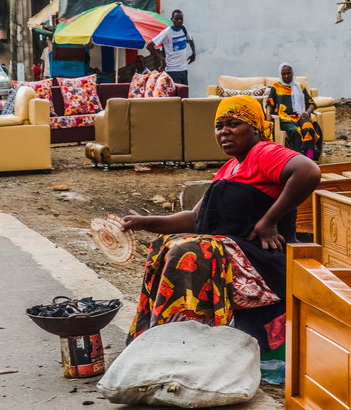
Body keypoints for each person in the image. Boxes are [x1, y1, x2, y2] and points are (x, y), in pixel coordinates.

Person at [122, 95, 320, 352]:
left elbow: (309, 171)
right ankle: (169, 339)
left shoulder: (264, 153)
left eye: (234, 123)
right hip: (230, 254)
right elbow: (195, 218)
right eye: (219, 126)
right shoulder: (229, 168)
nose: (224, 131)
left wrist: (269, 221)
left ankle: (183, 342)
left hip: (263, 257)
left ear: (255, 127)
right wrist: (146, 222)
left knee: (189, 250)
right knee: (166, 245)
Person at [265, 63, 323, 161]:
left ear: (293, 73)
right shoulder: (276, 87)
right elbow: (270, 104)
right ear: (280, 75)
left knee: (309, 129)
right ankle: (298, 159)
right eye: (284, 74)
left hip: (301, 116)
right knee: (294, 132)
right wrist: (268, 115)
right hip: (285, 118)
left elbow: (311, 103)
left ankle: (309, 158)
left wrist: (307, 112)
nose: (287, 76)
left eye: (289, 73)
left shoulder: (300, 86)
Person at [147, 9, 195, 89]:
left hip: (184, 69)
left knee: (185, 95)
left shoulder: (183, 28)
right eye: (176, 19)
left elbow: (190, 39)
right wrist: (161, 58)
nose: (179, 21)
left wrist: (194, 53)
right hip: (172, 70)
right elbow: (150, 46)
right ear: (172, 19)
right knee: (176, 96)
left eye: (181, 19)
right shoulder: (166, 32)